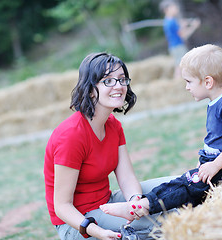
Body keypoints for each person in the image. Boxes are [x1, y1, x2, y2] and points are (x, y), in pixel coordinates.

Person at [99, 44, 222, 222]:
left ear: (208, 82)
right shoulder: (217, 102)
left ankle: (142, 207)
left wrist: (215, 165)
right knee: (178, 183)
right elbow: (216, 140)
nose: (187, 87)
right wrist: (205, 161)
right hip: (218, 164)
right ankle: (142, 203)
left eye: (189, 82)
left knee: (186, 187)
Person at [44, 52, 176, 240]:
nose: (119, 86)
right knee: (166, 219)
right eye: (108, 81)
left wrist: (135, 203)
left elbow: (127, 177)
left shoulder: (113, 125)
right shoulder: (71, 135)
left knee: (178, 188)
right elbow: (62, 206)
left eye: (122, 80)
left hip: (108, 202)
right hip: (78, 223)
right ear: (90, 89)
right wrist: (96, 232)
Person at [160, 0, 200, 79]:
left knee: (179, 66)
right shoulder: (172, 22)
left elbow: (178, 31)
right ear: (167, 9)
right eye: (173, 7)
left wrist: (183, 25)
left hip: (174, 47)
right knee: (180, 67)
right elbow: (183, 35)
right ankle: (177, 84)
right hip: (178, 47)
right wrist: (194, 26)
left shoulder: (169, 21)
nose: (176, 8)